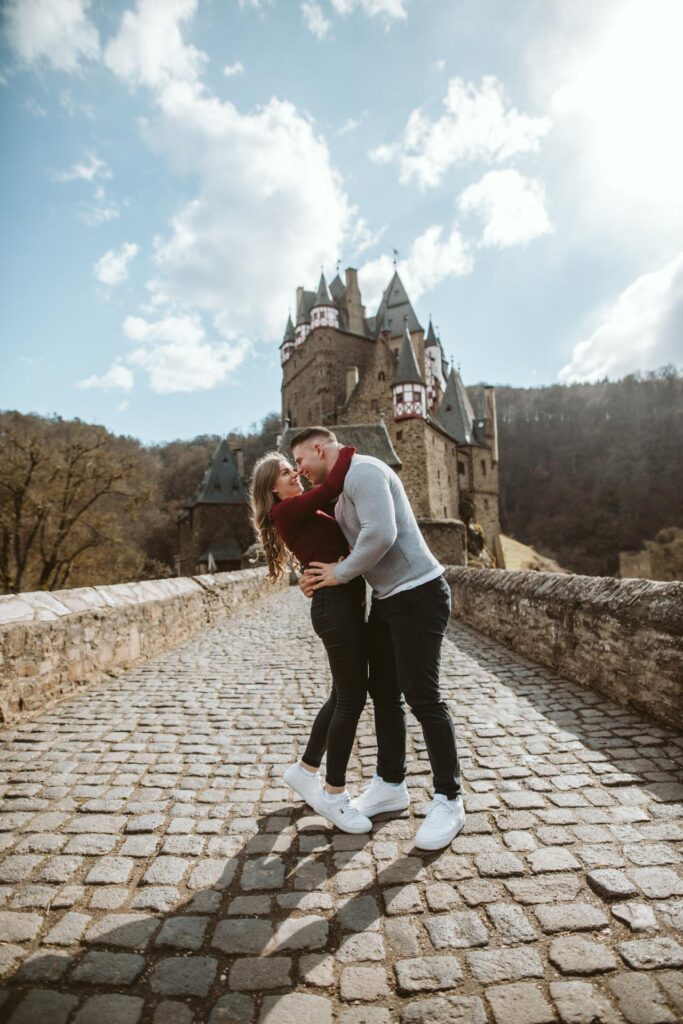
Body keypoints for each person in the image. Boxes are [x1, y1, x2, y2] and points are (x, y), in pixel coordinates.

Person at [294, 426, 465, 851]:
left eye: (300, 461)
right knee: (383, 692)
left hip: (420, 593)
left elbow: (381, 534)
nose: (300, 471)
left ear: (319, 448)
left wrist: (340, 573)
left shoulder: (364, 472)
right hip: (389, 600)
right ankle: (391, 784)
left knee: (423, 697)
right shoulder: (338, 489)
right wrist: (311, 572)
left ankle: (449, 798)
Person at [250, 442, 372, 834]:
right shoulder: (288, 510)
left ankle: (305, 772)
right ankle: (334, 795)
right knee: (351, 698)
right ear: (274, 490)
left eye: (294, 467)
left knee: (342, 694)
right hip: (334, 608)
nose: (295, 474)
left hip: (341, 602)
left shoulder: (302, 510)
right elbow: (332, 485)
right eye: (287, 472)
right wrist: (341, 450)